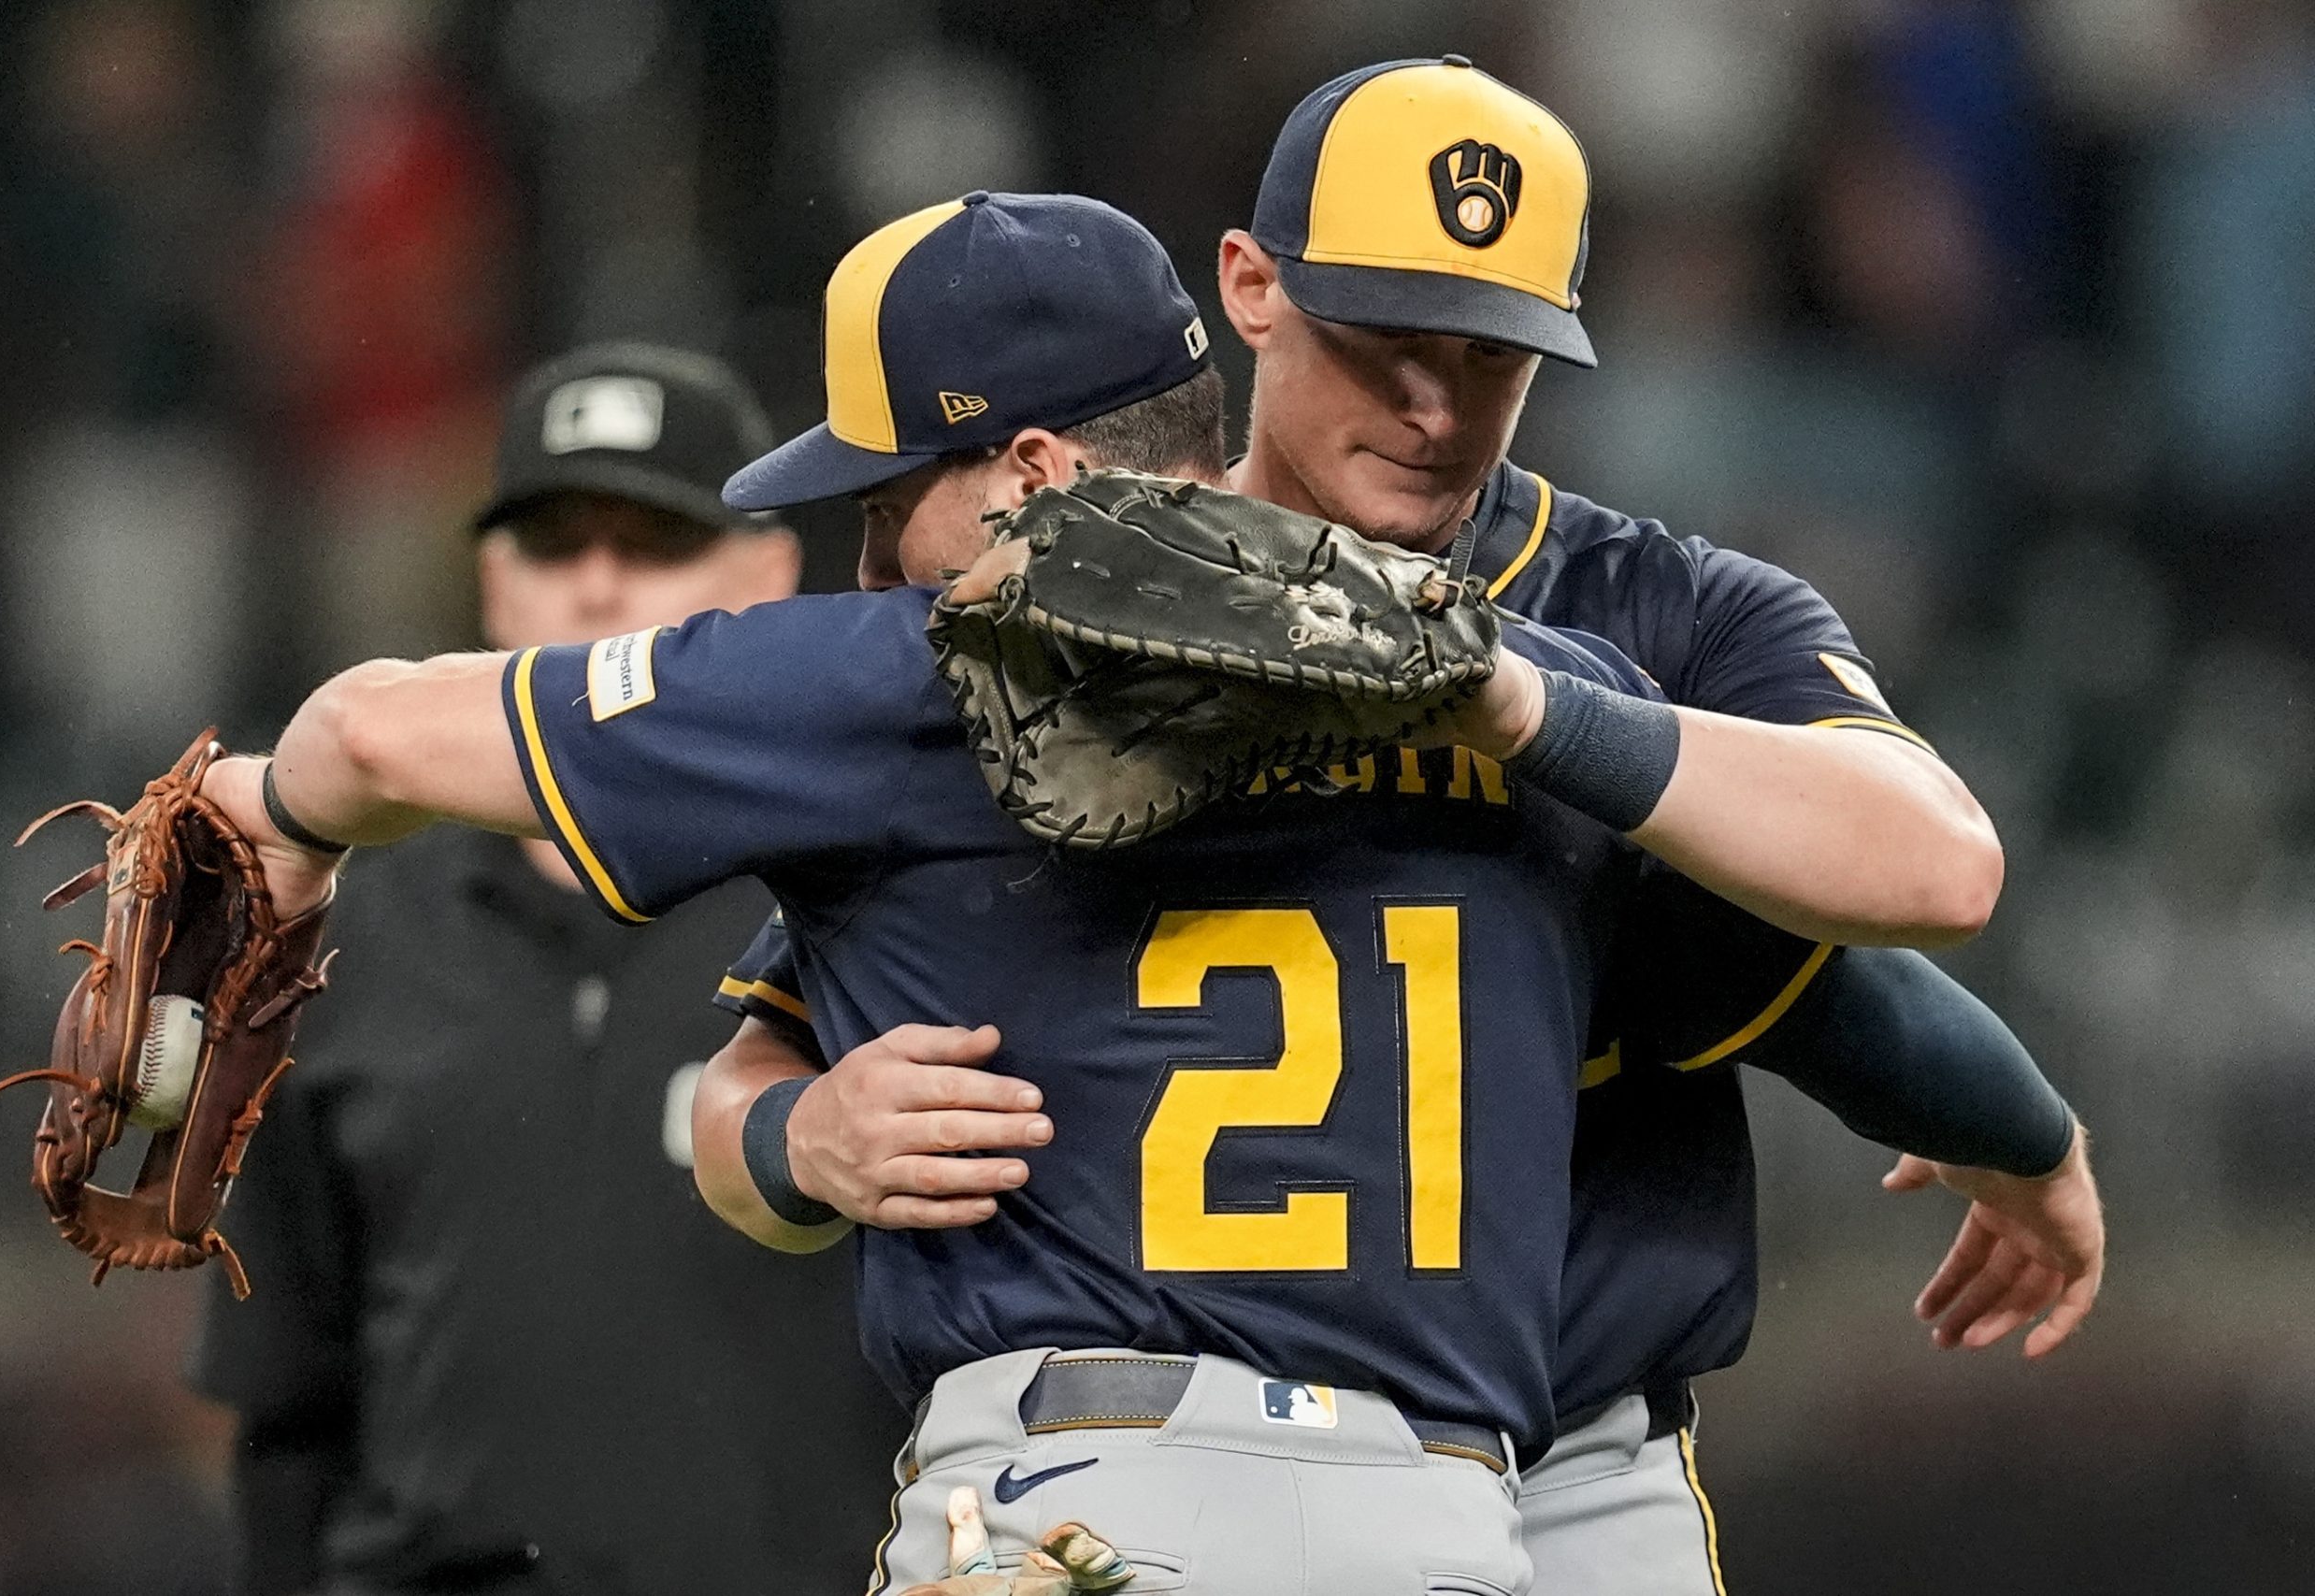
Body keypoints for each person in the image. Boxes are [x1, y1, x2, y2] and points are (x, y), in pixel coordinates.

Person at [171, 191, 1721, 1596]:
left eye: (883, 499)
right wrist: (1981, 1142)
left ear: (1030, 476)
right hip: (1442, 1519)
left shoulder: (904, 682)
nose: (870, 568)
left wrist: (279, 819)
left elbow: (367, 727)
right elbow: (1912, 907)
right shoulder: (1523, 692)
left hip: (1092, 1492)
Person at [697, 60, 2101, 1596]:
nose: (1435, 408)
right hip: (1176, 1446)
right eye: (1384, 343)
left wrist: (1522, 708)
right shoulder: (1093, 604)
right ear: (1251, 287)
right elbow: (773, 1038)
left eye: (1489, 356)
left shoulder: (1653, 612)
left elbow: (1924, 875)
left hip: (1583, 1470)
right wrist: (792, 1131)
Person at [187, 342, 904, 1596]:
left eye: (655, 543)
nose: (597, 590)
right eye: (555, 545)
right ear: (491, 587)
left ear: (772, 574)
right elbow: (287, 1408)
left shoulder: (872, 915)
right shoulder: (344, 938)